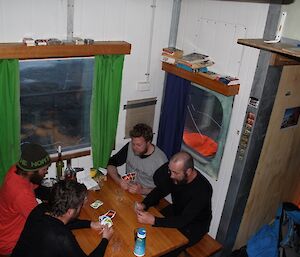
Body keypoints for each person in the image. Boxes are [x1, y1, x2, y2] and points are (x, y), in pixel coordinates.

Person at [135, 151, 213, 257]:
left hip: (194, 225)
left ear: (188, 171)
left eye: (175, 173)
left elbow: (183, 220)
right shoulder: (175, 174)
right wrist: (145, 204)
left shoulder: (203, 189)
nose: (171, 176)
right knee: (144, 230)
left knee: (164, 249)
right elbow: (160, 190)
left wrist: (154, 220)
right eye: (170, 171)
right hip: (177, 211)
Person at [11, 180, 113, 257]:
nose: (81, 207)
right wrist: (105, 239)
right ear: (70, 211)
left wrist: (90, 223)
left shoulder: (40, 209)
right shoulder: (61, 237)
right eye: (80, 205)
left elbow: (67, 222)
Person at [0, 142, 51, 255]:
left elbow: (35, 187)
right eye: (44, 170)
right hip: (12, 244)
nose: (46, 172)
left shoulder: (16, 170)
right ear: (32, 171)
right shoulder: (21, 194)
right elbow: (43, 222)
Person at [107, 123, 168, 195]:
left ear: (148, 142)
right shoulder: (130, 146)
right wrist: (119, 181)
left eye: (139, 145)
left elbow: (164, 189)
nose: (134, 148)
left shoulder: (160, 161)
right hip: (128, 190)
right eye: (133, 144)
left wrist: (142, 191)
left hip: (147, 197)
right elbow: (111, 163)